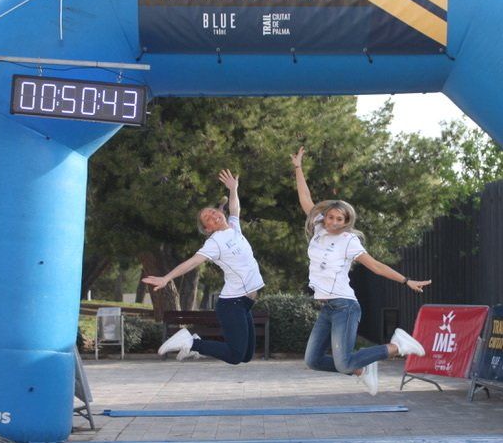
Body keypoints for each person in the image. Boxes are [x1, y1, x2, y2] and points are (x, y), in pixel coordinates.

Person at [292, 147, 430, 395]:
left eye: (339, 220)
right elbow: (305, 199)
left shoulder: (349, 241)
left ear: (347, 222)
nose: (333, 222)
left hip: (345, 305)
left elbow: (376, 266)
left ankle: (396, 346)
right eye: (331, 217)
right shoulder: (319, 229)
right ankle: (361, 370)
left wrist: (406, 280)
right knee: (313, 360)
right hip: (328, 307)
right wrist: (298, 168)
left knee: (342, 360)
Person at [143, 169, 264, 364]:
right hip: (232, 303)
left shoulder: (234, 228)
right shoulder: (214, 243)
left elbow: (235, 209)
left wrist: (233, 189)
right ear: (208, 229)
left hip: (245, 303)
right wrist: (166, 278)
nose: (213, 215)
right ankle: (191, 343)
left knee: (247, 355)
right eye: (207, 218)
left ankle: (195, 342)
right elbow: (192, 262)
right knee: (235, 356)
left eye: (213, 211)